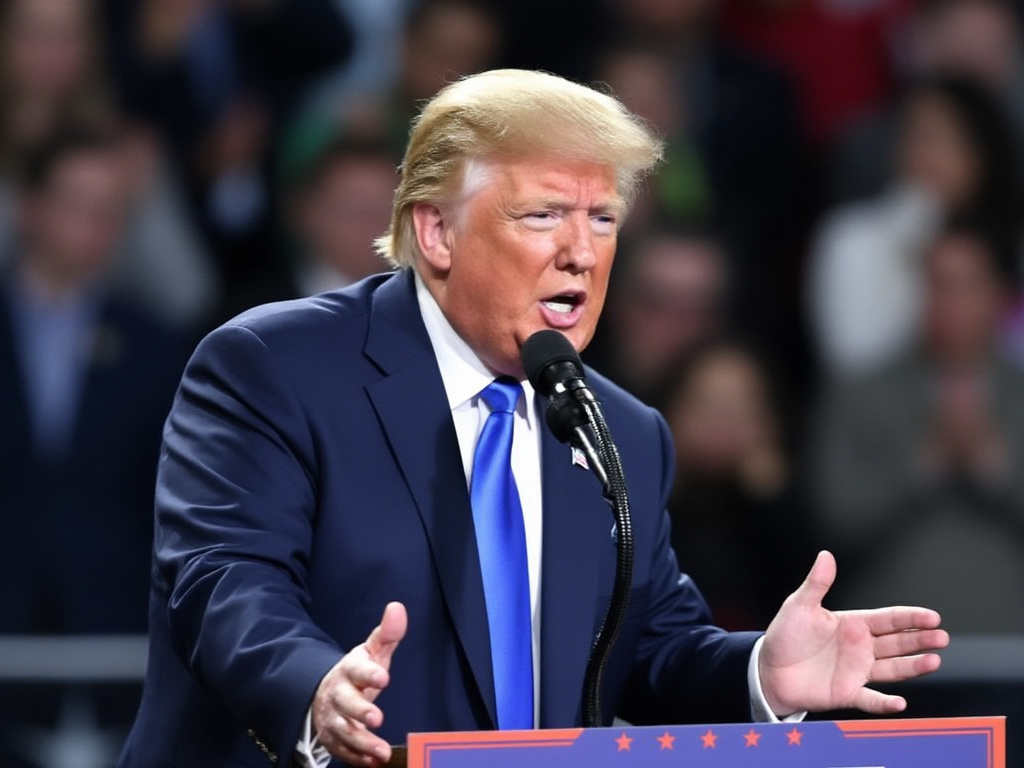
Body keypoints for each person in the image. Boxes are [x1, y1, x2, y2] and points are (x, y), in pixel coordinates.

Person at [117, 70, 947, 768]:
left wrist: (763, 672)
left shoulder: (619, 429)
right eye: (544, 214)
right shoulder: (275, 366)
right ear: (436, 231)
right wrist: (313, 687)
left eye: (603, 219)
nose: (581, 251)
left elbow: (650, 646)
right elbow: (225, 582)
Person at [0, 125, 184, 634]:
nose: (95, 223)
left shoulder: (154, 345)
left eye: (111, 209)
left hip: (112, 618)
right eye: (76, 202)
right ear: (29, 208)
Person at [811, 220, 1024, 634]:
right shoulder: (860, 392)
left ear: (1000, 296)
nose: (950, 301)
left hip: (1012, 646)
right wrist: (924, 462)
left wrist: (995, 465)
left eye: (967, 285)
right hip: (887, 647)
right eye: (937, 283)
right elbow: (832, 521)